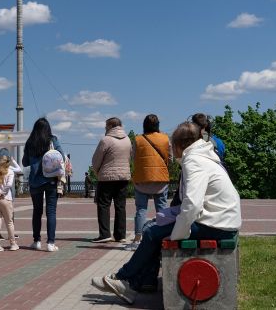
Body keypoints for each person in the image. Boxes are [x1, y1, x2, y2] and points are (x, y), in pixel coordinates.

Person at [91, 122, 241, 304]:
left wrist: (176, 234)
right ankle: (130, 282)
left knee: (152, 233)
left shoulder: (194, 161)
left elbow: (192, 204)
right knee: (154, 228)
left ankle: (125, 280)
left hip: (216, 225)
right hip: (221, 221)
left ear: (178, 146)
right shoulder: (204, 157)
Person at [126, 114, 170, 251]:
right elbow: (171, 158)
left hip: (142, 178)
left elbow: (133, 158)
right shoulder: (165, 138)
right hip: (160, 178)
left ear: (144, 125)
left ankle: (137, 240)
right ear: (158, 125)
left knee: (141, 210)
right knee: (162, 209)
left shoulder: (138, 139)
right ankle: (164, 238)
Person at [23, 117, 64, 252]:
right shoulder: (53, 140)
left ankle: (37, 241)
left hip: (35, 181)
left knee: (37, 212)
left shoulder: (30, 142)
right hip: (51, 179)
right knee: (51, 212)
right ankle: (51, 243)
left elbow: (25, 162)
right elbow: (61, 157)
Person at [91, 117, 131, 244]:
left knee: (103, 205)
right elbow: (130, 157)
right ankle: (120, 235)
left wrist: (97, 173)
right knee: (120, 206)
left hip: (107, 178)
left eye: (106, 126)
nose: (104, 128)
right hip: (123, 177)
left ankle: (104, 234)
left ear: (110, 126)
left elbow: (96, 160)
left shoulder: (106, 140)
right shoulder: (128, 140)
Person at [0, 148, 20, 252]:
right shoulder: (10, 171)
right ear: (8, 160)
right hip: (6, 199)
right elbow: (9, 184)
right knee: (9, 222)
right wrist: (1, 193)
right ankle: (13, 244)